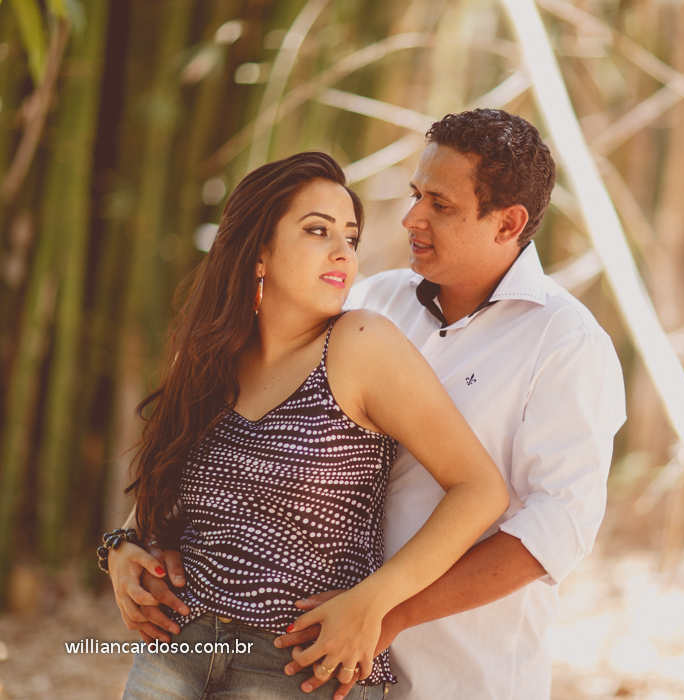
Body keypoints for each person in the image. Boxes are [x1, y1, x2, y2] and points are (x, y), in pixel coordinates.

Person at [123, 109, 626, 700]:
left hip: (461, 671)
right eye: (416, 194)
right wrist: (130, 543)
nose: (412, 217)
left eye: (440, 204)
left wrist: (387, 611)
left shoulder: (565, 342)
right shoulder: (374, 301)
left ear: (508, 222)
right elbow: (247, 429)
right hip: (318, 652)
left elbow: (555, 528)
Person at [104, 151, 509, 699]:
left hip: (300, 664)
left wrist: (375, 601)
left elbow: (480, 489)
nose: (343, 252)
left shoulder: (360, 344)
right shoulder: (208, 358)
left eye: (351, 237)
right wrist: (124, 545)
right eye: (318, 230)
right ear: (259, 251)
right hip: (175, 651)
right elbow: (163, 482)